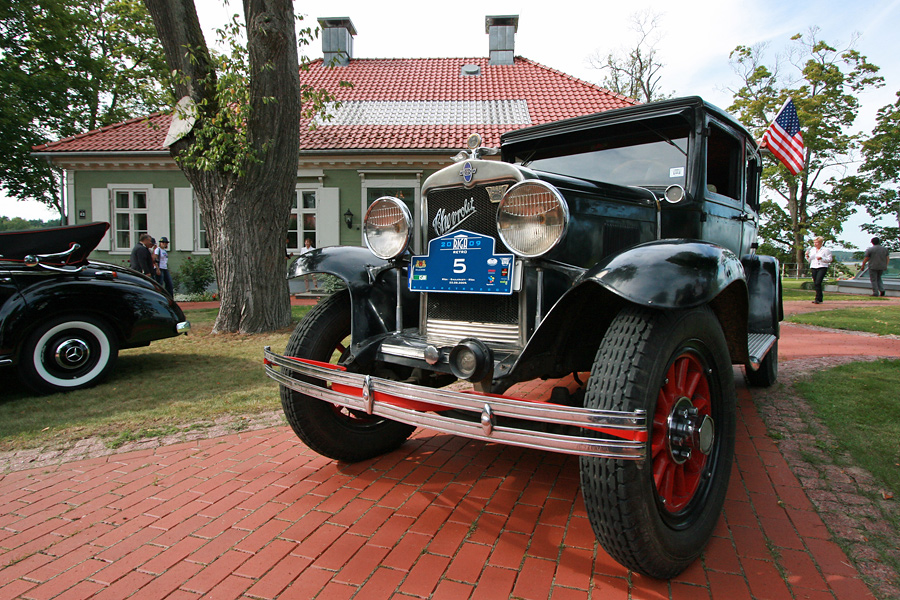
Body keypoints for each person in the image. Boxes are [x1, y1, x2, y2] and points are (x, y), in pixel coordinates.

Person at [805, 235, 832, 304]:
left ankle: (818, 298)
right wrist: (807, 256)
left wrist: (822, 258)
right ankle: (818, 298)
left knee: (818, 282)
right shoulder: (812, 250)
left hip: (822, 267)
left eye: (817, 242)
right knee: (815, 283)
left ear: (820, 243)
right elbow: (810, 260)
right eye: (814, 242)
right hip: (814, 266)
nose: (815, 244)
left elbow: (830, 259)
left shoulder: (826, 250)